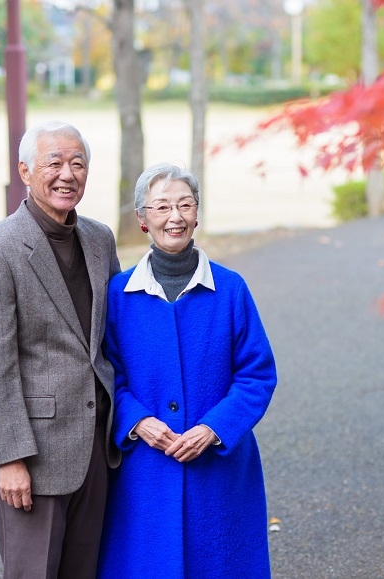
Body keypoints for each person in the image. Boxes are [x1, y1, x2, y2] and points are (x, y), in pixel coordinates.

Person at [96, 163, 278, 578]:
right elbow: (108, 374)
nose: (174, 217)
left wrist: (213, 428)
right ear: (142, 220)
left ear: (198, 214)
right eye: (160, 207)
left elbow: (257, 375)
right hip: (146, 469)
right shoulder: (119, 295)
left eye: (184, 204)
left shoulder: (231, 289)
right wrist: (138, 421)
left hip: (219, 469)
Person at [0, 120, 121, 578]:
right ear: (26, 171)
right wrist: (9, 458)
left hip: (97, 447)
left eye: (78, 163)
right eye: (54, 163)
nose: (67, 174)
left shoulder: (99, 239)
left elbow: (111, 336)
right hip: (36, 455)